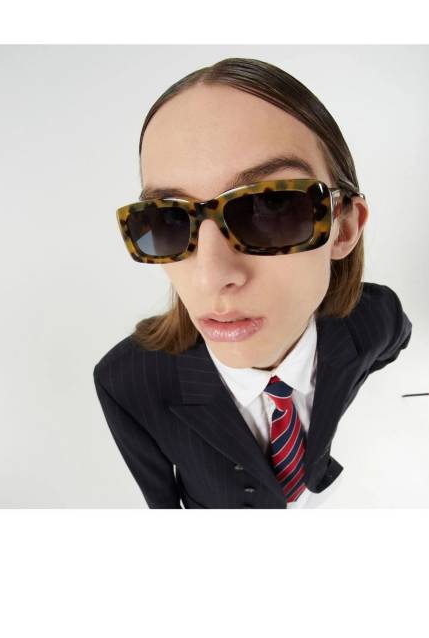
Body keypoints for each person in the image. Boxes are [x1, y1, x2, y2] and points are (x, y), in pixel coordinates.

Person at [93, 57, 412, 508]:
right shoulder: (125, 382)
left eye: (273, 208)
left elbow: (392, 345)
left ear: (343, 227)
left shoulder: (376, 319)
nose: (210, 276)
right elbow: (161, 504)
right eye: (167, 218)